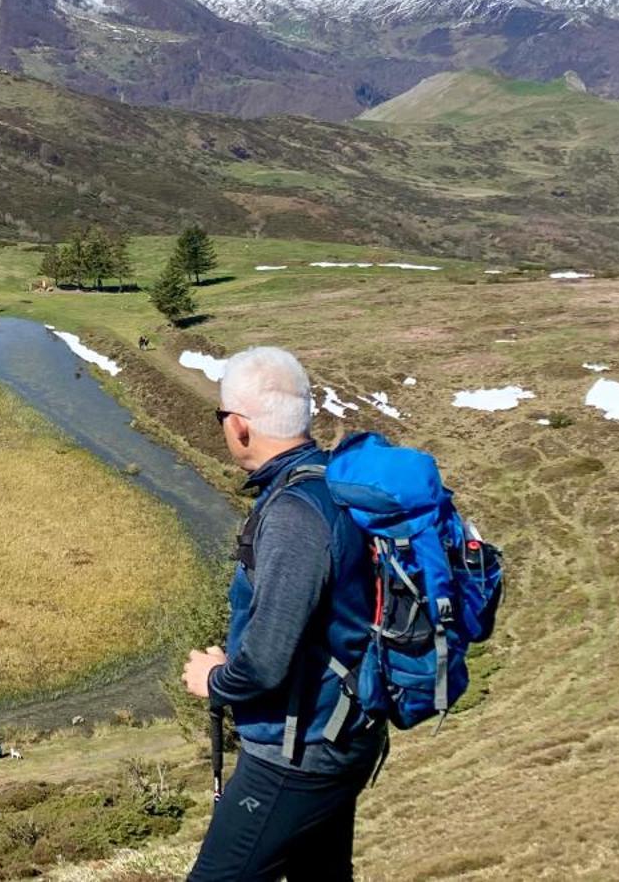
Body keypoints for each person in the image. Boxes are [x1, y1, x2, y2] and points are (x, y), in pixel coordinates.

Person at [180, 347, 383, 881]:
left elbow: (266, 663)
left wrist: (216, 680)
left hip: (297, 752)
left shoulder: (294, 514)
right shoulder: (331, 484)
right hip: (341, 731)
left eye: (223, 418)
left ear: (241, 426)